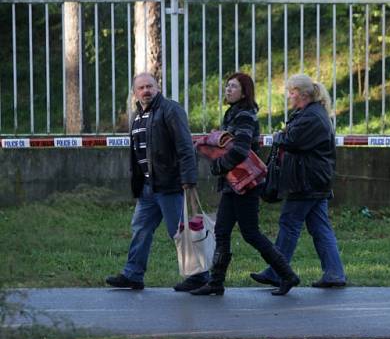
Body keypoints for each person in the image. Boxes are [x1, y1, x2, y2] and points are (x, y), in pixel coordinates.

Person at [191, 72, 300, 296]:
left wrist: (218, 166)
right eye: (227, 86)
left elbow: (240, 150)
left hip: (245, 185)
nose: (227, 90)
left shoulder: (244, 116)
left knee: (250, 233)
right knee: (222, 231)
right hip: (234, 185)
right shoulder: (234, 113)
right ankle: (216, 282)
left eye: (233, 87)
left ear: (244, 92)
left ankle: (287, 275)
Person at [105, 72, 210, 291]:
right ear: (135, 92)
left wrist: (189, 179)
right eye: (141, 87)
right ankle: (133, 274)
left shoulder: (171, 110)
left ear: (158, 87)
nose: (146, 91)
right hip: (147, 188)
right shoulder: (136, 116)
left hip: (170, 185)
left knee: (180, 232)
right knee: (140, 229)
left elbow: (185, 147)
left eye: (150, 86)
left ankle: (200, 276)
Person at [250, 73, 347, 289]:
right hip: (315, 181)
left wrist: (278, 137)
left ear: (303, 94)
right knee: (320, 227)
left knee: (289, 224)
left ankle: (277, 271)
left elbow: (292, 140)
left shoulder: (312, 117)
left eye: (292, 92)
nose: (289, 96)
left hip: (306, 182)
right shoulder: (312, 113)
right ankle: (334, 273)